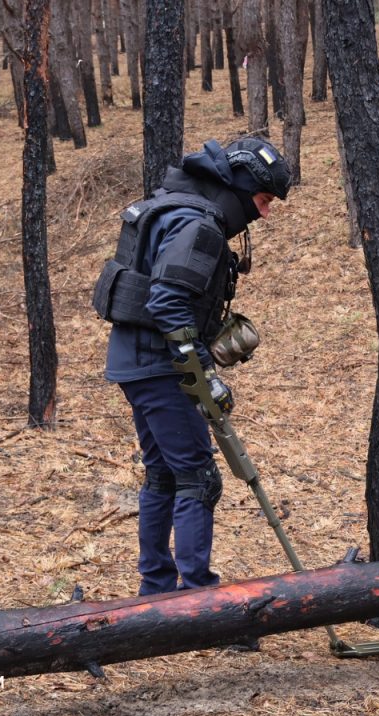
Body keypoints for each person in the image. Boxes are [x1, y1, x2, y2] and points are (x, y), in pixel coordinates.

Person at [98, 138, 292, 596]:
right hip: (161, 367)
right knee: (198, 478)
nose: (264, 213)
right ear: (240, 188)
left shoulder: (176, 209)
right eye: (263, 201)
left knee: (164, 473)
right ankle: (197, 597)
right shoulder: (198, 225)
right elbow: (166, 299)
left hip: (137, 362)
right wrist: (201, 369)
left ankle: (158, 590)